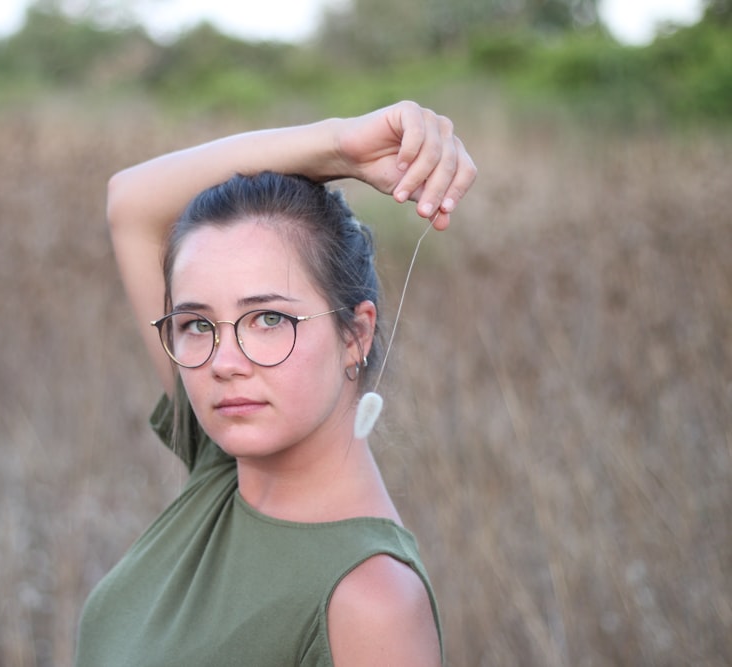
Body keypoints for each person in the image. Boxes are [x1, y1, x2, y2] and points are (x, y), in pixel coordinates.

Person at [75, 100, 477, 666]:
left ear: (355, 335)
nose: (224, 362)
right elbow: (132, 201)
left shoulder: (372, 603)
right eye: (196, 324)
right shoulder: (222, 470)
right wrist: (340, 145)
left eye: (269, 320)